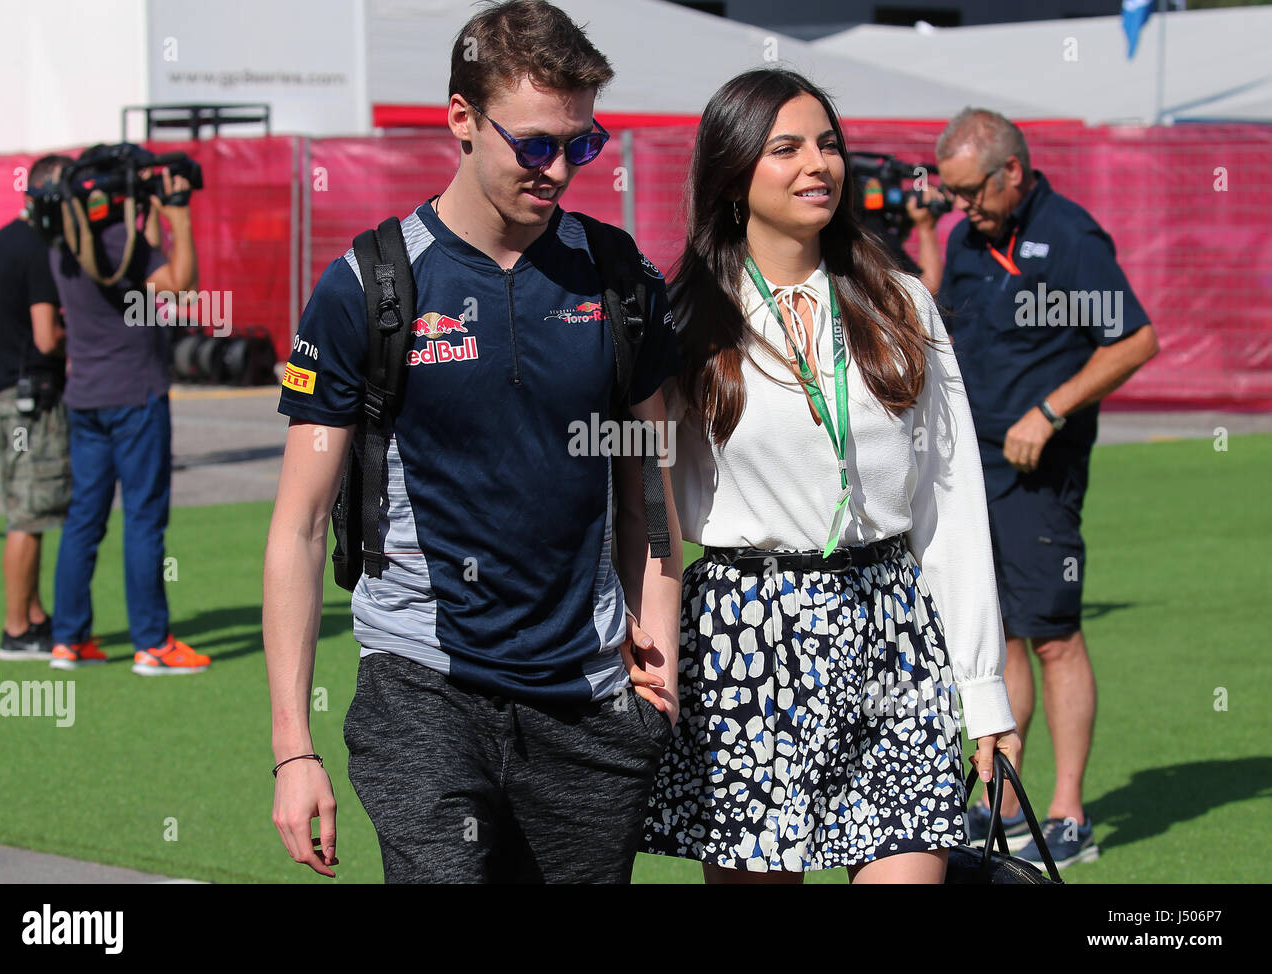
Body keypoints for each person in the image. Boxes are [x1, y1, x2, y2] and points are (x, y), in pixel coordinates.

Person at [263, 0, 683, 884]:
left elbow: (651, 494)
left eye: (582, 143)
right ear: (461, 118)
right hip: (422, 685)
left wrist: (662, 668)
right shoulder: (369, 284)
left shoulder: (620, 279)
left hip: (588, 700)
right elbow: (299, 528)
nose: (560, 168)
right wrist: (293, 750)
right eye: (534, 143)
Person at [640, 68, 1020, 884]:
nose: (819, 164)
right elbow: (649, 508)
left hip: (893, 632)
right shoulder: (685, 320)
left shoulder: (903, 304)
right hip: (746, 638)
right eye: (786, 149)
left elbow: (949, 504)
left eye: (827, 144)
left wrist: (983, 692)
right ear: (734, 175)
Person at [928, 108, 1158, 869]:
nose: (963, 206)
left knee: (1055, 636)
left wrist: (1051, 409)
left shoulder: (1071, 237)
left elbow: (1135, 341)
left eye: (970, 192)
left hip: (1039, 473)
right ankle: (1003, 804)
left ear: (1012, 173)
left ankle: (1068, 814)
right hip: (971, 472)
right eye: (952, 194)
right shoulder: (965, 237)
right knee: (1002, 636)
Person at [47, 148, 210, 675]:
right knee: (143, 519)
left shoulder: (66, 244)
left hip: (86, 397)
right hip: (135, 395)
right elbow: (183, 284)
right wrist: (178, 215)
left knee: (83, 520)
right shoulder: (123, 243)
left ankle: (68, 639)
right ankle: (151, 643)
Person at [0, 154, 71, 661]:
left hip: (6, 393)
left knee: (29, 510)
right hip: (27, 401)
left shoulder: (0, 242)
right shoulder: (37, 247)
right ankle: (18, 628)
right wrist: (75, 343)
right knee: (28, 515)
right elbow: (45, 334)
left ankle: (32, 616)